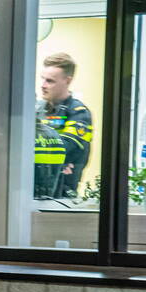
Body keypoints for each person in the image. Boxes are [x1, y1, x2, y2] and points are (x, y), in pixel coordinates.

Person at [38, 52, 93, 198]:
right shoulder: (36, 109)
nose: (43, 85)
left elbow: (66, 147)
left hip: (61, 195)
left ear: (67, 81)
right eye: (42, 79)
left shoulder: (79, 113)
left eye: (50, 81)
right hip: (33, 190)